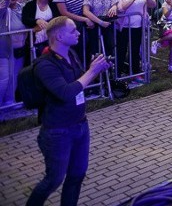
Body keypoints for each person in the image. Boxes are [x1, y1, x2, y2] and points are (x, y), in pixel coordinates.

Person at [26, 16, 111, 206]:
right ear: (59, 37)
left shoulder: (71, 54)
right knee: (53, 180)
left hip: (80, 125)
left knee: (77, 176)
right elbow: (65, 92)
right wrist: (91, 71)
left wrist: (96, 70)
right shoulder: (44, 64)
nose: (79, 33)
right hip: (58, 131)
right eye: (73, 30)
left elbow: (79, 85)